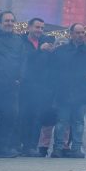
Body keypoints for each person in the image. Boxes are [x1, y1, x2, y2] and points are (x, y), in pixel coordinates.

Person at [51, 24, 86, 158]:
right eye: (77, 32)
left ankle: (76, 149)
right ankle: (58, 148)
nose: (80, 35)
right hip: (64, 92)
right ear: (71, 34)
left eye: (82, 32)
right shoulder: (60, 51)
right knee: (61, 121)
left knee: (78, 122)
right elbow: (53, 71)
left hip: (82, 93)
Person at [0, 11, 24, 157]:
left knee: (9, 116)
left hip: (12, 86)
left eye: (11, 21)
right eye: (6, 21)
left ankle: (3, 148)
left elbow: (23, 61)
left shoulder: (18, 40)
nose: (9, 23)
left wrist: (20, 78)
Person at [20, 17, 57, 156]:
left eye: (42, 28)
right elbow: (23, 59)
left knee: (36, 117)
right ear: (29, 27)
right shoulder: (22, 41)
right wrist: (39, 51)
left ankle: (31, 146)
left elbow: (50, 66)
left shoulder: (46, 43)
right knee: (23, 115)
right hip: (25, 85)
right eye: (37, 27)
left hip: (41, 87)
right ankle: (20, 144)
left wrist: (53, 53)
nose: (40, 30)